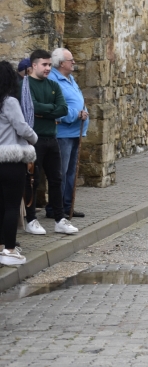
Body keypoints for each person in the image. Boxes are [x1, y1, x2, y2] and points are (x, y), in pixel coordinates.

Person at [23, 49, 78, 235]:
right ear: (34, 65)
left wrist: (44, 111)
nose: (48, 68)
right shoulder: (26, 84)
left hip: (52, 137)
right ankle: (31, 219)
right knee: (33, 180)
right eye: (44, 65)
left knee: (56, 179)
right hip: (34, 139)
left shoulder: (53, 85)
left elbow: (63, 108)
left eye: (49, 65)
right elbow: (32, 106)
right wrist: (49, 110)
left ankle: (60, 218)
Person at [0, 61, 37, 265]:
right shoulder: (9, 102)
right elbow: (22, 128)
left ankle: (1, 244)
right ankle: (9, 249)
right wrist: (34, 139)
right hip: (11, 159)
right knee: (12, 206)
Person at [47, 48, 88, 219]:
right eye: (71, 60)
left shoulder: (70, 79)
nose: (74, 63)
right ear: (61, 63)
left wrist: (83, 112)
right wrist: (75, 115)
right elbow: (56, 108)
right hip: (63, 133)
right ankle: (55, 208)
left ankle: (68, 206)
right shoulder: (52, 80)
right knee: (61, 172)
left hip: (75, 132)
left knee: (71, 172)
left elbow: (77, 101)